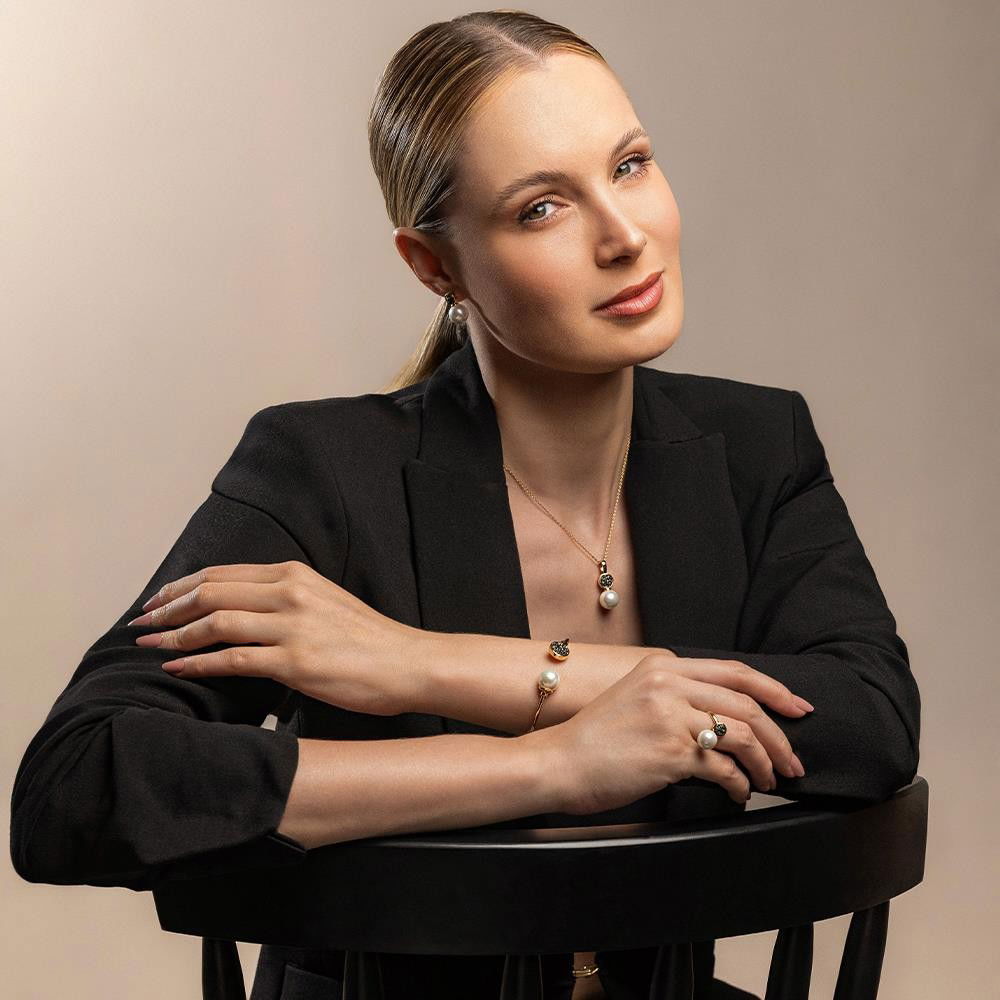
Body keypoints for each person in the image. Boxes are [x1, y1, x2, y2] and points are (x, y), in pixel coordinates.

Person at [10, 10, 921, 1000]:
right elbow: (76, 786)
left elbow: (867, 721)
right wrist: (553, 765)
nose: (625, 236)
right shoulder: (323, 470)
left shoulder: (756, 446)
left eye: (629, 166)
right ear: (433, 265)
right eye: (543, 207)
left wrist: (422, 662)